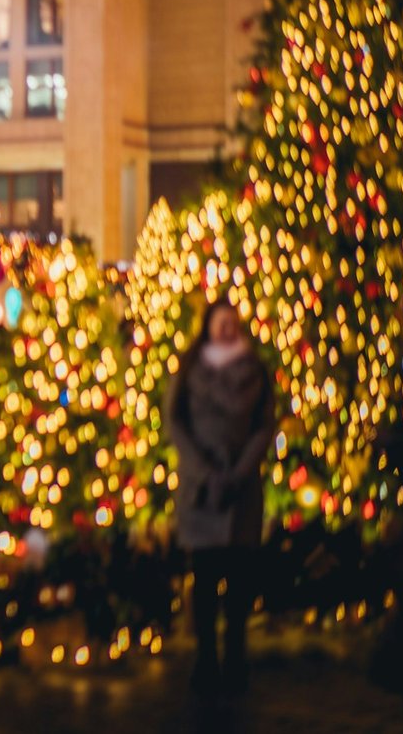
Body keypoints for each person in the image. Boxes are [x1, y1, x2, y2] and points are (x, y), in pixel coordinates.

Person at [166, 295, 274, 694]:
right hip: (201, 492)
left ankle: (235, 654)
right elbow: (175, 419)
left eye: (232, 321)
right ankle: (206, 657)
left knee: (240, 579)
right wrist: (202, 470)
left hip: (241, 489)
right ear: (209, 325)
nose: (226, 327)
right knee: (206, 577)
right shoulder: (191, 366)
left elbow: (265, 424)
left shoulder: (255, 369)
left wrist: (241, 470)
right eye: (220, 321)